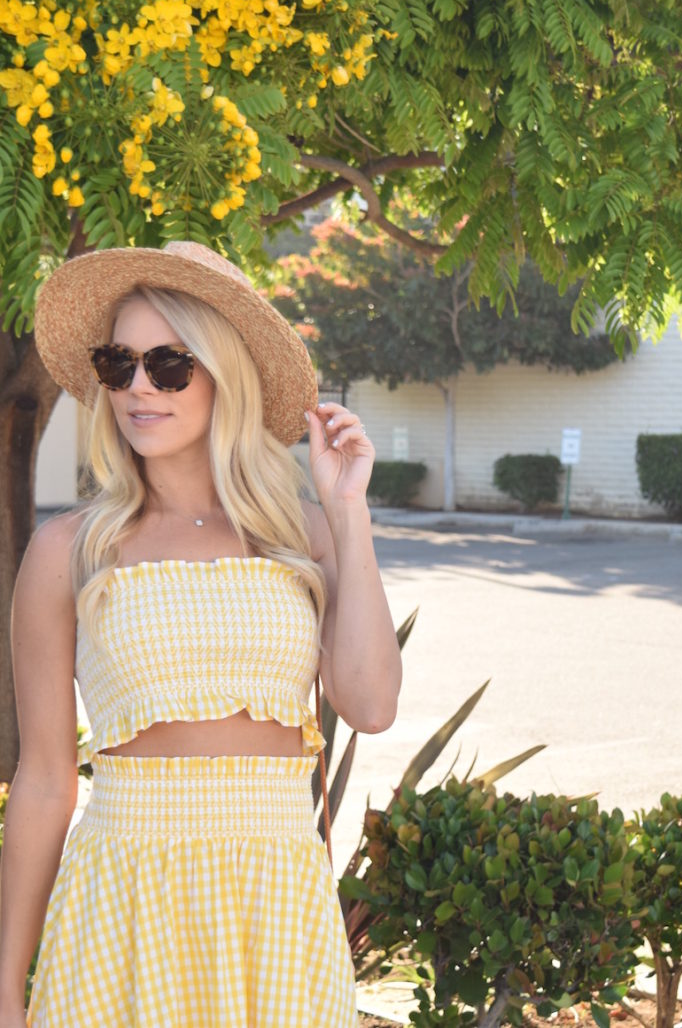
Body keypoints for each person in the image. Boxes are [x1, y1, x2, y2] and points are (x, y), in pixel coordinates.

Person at [0, 240, 402, 1027]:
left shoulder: (307, 535)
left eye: (169, 365)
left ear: (225, 375)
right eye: (119, 366)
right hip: (120, 900)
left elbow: (371, 704)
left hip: (278, 903)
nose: (138, 389)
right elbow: (46, 779)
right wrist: (6, 991)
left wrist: (348, 512)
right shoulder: (68, 551)